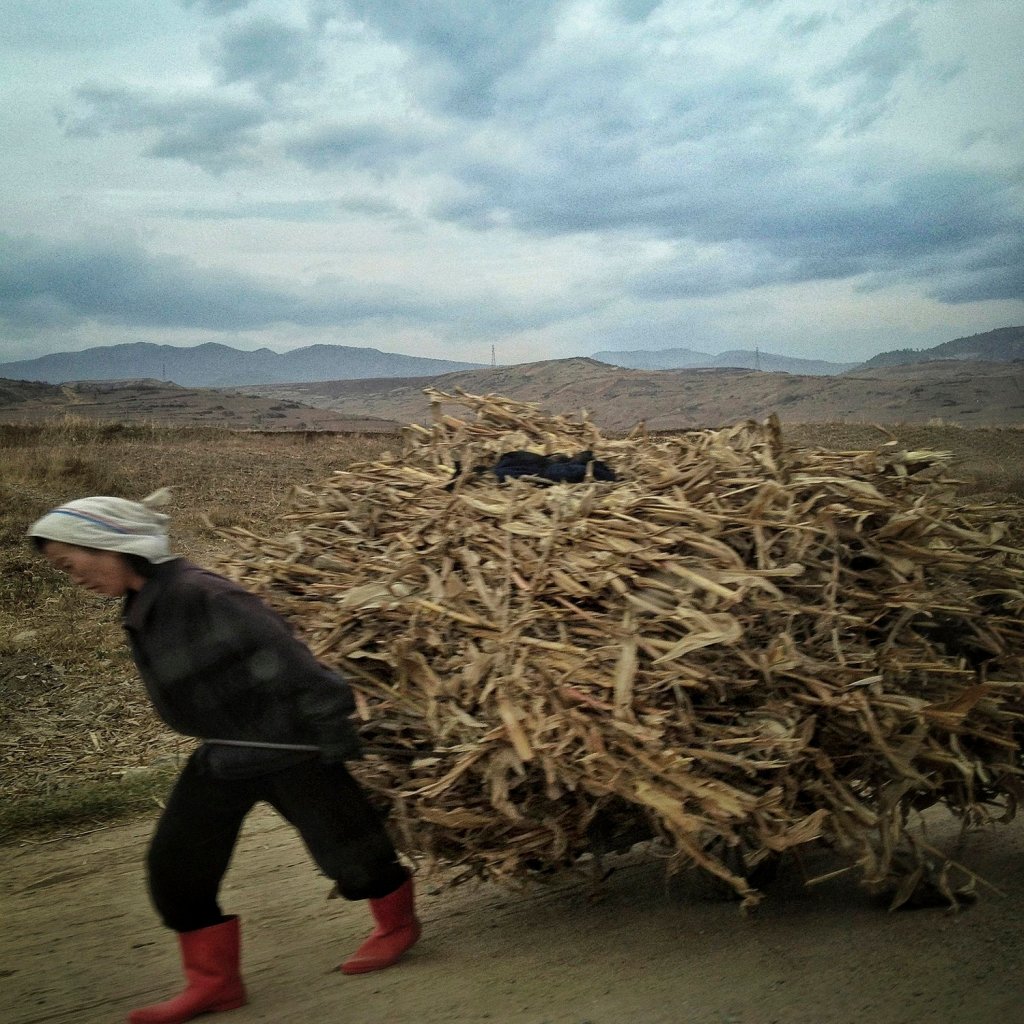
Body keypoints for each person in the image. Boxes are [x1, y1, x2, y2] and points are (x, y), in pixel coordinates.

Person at [28, 491, 421, 1024]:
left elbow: (289, 660)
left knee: (352, 850)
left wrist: (332, 728)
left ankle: (396, 926)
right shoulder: (143, 603)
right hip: (225, 753)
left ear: (110, 546)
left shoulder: (204, 594)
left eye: (70, 564)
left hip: (289, 747)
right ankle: (215, 985)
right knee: (176, 867)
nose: (73, 578)